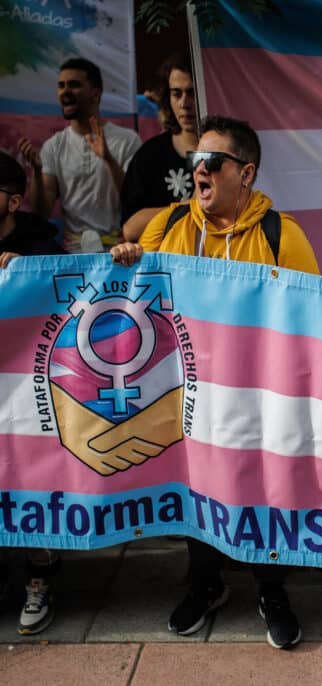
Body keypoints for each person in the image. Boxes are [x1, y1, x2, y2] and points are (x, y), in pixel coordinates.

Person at [111, 115, 320, 649]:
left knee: (264, 493)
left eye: (212, 162)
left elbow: (314, 317)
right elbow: (136, 291)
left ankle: (271, 590)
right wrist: (129, 259)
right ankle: (204, 585)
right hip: (188, 395)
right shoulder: (172, 225)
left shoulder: (282, 235)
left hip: (258, 399)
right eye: (194, 161)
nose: (198, 170)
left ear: (244, 174)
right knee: (194, 488)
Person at [0, 151, 63, 635]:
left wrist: (28, 276)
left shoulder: (40, 241)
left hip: (29, 391)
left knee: (32, 484)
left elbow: (71, 293)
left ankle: (39, 580)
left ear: (13, 201)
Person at [17, 57, 141, 253]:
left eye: (74, 85)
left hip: (120, 253)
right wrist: (38, 173)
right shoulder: (54, 146)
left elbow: (134, 201)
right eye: (61, 86)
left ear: (96, 94)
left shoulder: (128, 140)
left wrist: (108, 158)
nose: (65, 91)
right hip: (72, 257)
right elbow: (41, 212)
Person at [121, 53, 199, 241]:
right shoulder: (150, 155)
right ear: (167, 97)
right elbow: (130, 229)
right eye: (176, 93)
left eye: (192, 92)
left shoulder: (227, 152)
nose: (184, 103)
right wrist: (189, 208)